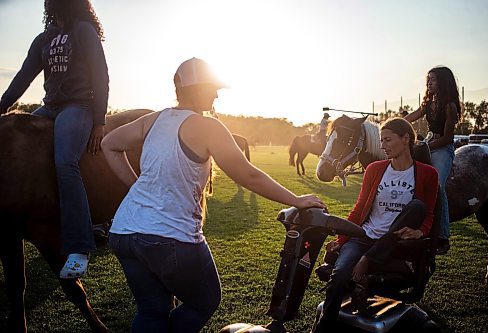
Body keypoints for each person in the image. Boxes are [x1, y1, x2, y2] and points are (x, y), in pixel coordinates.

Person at [101, 57, 326, 333]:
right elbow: (248, 174)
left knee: (151, 311)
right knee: (205, 299)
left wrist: (135, 186)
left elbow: (109, 143)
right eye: (212, 88)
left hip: (125, 231)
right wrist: (296, 200)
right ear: (197, 89)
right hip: (169, 236)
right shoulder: (207, 126)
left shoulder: (154, 119)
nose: (217, 94)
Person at [0, 0, 109, 278]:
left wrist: (99, 120)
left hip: (78, 106)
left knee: (64, 161)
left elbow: (101, 76)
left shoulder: (84, 31)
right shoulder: (44, 39)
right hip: (51, 107)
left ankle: (80, 245)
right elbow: (24, 76)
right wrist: (2, 106)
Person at [313, 118, 439, 332]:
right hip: (363, 237)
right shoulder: (374, 169)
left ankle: (367, 260)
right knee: (341, 274)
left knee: (416, 206)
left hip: (392, 243)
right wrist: (341, 240)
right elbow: (359, 208)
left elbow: (428, 213)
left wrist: (420, 231)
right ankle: (324, 328)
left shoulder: (428, 173)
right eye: (381, 141)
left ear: (406, 138)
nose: (382, 146)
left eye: (388, 140)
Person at [405, 66, 461, 255]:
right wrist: (394, 125)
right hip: (427, 142)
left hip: (442, 148)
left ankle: (443, 235)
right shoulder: (427, 104)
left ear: (444, 82)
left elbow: (447, 138)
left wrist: (426, 146)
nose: (429, 83)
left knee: (438, 186)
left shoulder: (450, 106)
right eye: (428, 79)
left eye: (433, 80)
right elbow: (409, 118)